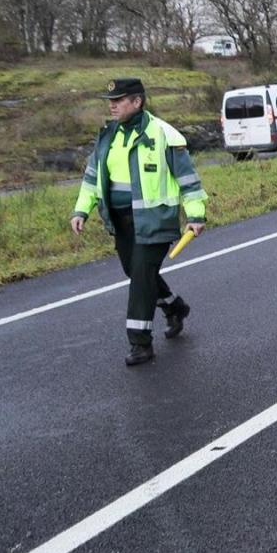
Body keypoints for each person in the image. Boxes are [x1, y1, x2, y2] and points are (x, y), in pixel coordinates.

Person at [69, 78, 206, 367]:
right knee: (135, 272)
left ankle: (140, 343)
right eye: (110, 100)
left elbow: (188, 181)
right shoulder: (108, 136)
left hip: (155, 221)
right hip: (121, 222)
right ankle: (174, 307)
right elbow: (92, 178)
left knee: (141, 281)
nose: (112, 105)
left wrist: (195, 215)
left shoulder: (163, 135)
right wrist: (81, 210)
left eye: (119, 100)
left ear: (137, 102)